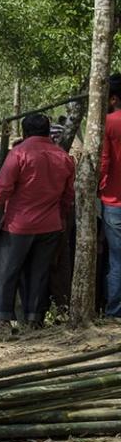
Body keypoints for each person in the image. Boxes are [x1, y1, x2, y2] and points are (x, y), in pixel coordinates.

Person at [0, 112, 75, 330]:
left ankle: (3, 320)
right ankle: (34, 319)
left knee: (7, 272)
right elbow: (68, 196)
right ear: (47, 131)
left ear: (25, 133)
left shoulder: (19, 153)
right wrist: (61, 218)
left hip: (18, 225)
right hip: (51, 225)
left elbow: (3, 187)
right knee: (40, 272)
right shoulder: (63, 157)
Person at [101, 73, 121, 317]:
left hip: (114, 200)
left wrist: (98, 186)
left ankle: (116, 311)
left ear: (114, 98)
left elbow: (104, 162)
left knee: (117, 260)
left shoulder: (108, 123)